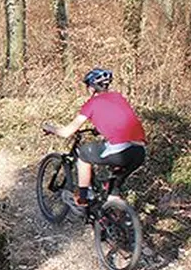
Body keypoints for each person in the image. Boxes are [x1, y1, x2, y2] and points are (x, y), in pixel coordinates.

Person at [42, 68, 146, 206]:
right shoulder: (118, 97)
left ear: (91, 88)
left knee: (83, 154)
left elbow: (67, 132)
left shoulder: (91, 104)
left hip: (121, 150)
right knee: (112, 188)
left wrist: (50, 128)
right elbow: (117, 119)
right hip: (139, 152)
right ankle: (115, 208)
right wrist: (99, 130)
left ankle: (83, 198)